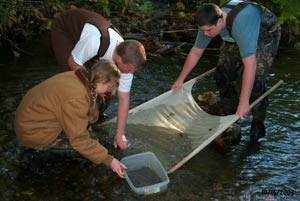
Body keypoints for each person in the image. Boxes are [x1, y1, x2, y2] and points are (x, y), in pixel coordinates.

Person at [172, 0, 281, 142]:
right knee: (222, 74)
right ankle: (230, 112)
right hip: (234, 35)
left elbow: (250, 65)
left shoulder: (241, 24)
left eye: (208, 30)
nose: (205, 34)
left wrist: (244, 102)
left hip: (265, 34)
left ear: (219, 21)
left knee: (256, 81)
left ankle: (258, 123)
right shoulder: (207, 23)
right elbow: (196, 52)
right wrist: (180, 80)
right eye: (202, 30)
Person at [51, 8, 147, 150]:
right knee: (75, 82)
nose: (130, 74)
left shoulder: (127, 61)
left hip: (92, 50)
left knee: (107, 88)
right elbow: (73, 63)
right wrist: (92, 87)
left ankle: (93, 119)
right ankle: (66, 123)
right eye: (128, 70)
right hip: (66, 30)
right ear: (119, 60)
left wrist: (120, 134)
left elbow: (124, 98)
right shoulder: (95, 41)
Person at [14, 60, 126, 178]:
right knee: (85, 152)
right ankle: (35, 154)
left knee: (92, 141)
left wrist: (96, 96)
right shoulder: (77, 98)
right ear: (100, 81)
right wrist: (109, 160)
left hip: (31, 121)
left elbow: (90, 118)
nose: (109, 91)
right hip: (32, 133)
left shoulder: (81, 77)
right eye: (109, 86)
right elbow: (79, 140)